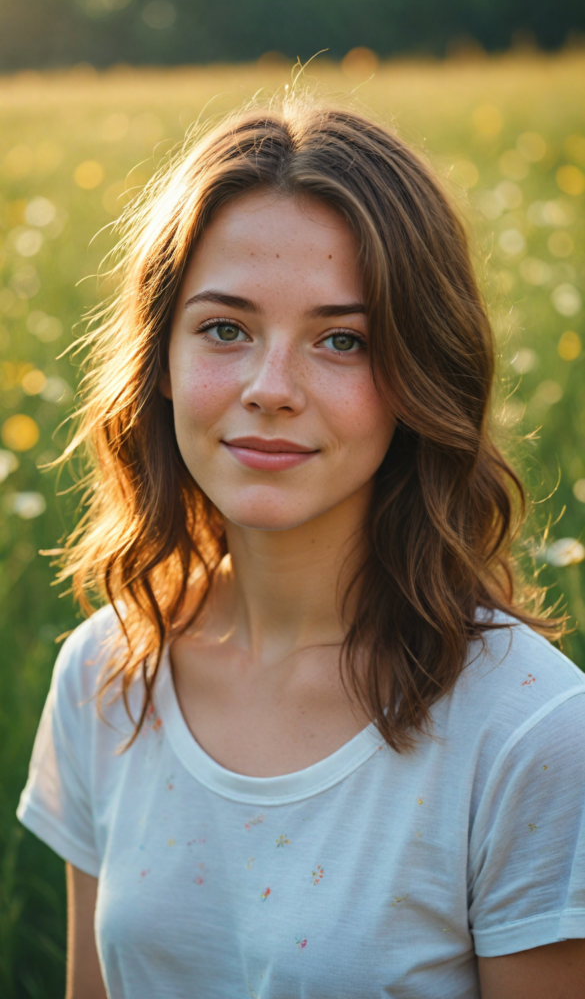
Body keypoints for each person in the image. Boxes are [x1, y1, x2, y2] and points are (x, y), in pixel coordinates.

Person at [17, 98, 585, 999]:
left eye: (342, 340)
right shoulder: (105, 674)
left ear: (421, 376)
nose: (270, 388)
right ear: (159, 360)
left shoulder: (532, 735)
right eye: (225, 328)